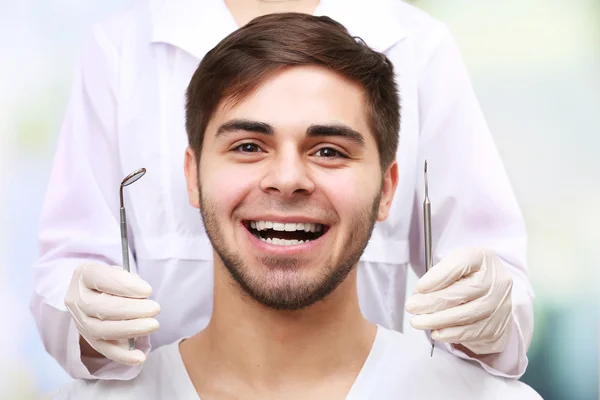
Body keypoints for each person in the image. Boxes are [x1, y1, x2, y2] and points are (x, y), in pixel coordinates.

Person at [31, 0, 534, 382]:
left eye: (330, 150)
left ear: (388, 188)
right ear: (190, 174)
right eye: (248, 146)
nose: (287, 180)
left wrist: (493, 311)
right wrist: (84, 320)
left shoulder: (418, 44)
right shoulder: (123, 44)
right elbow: (69, 272)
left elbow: (489, 283)